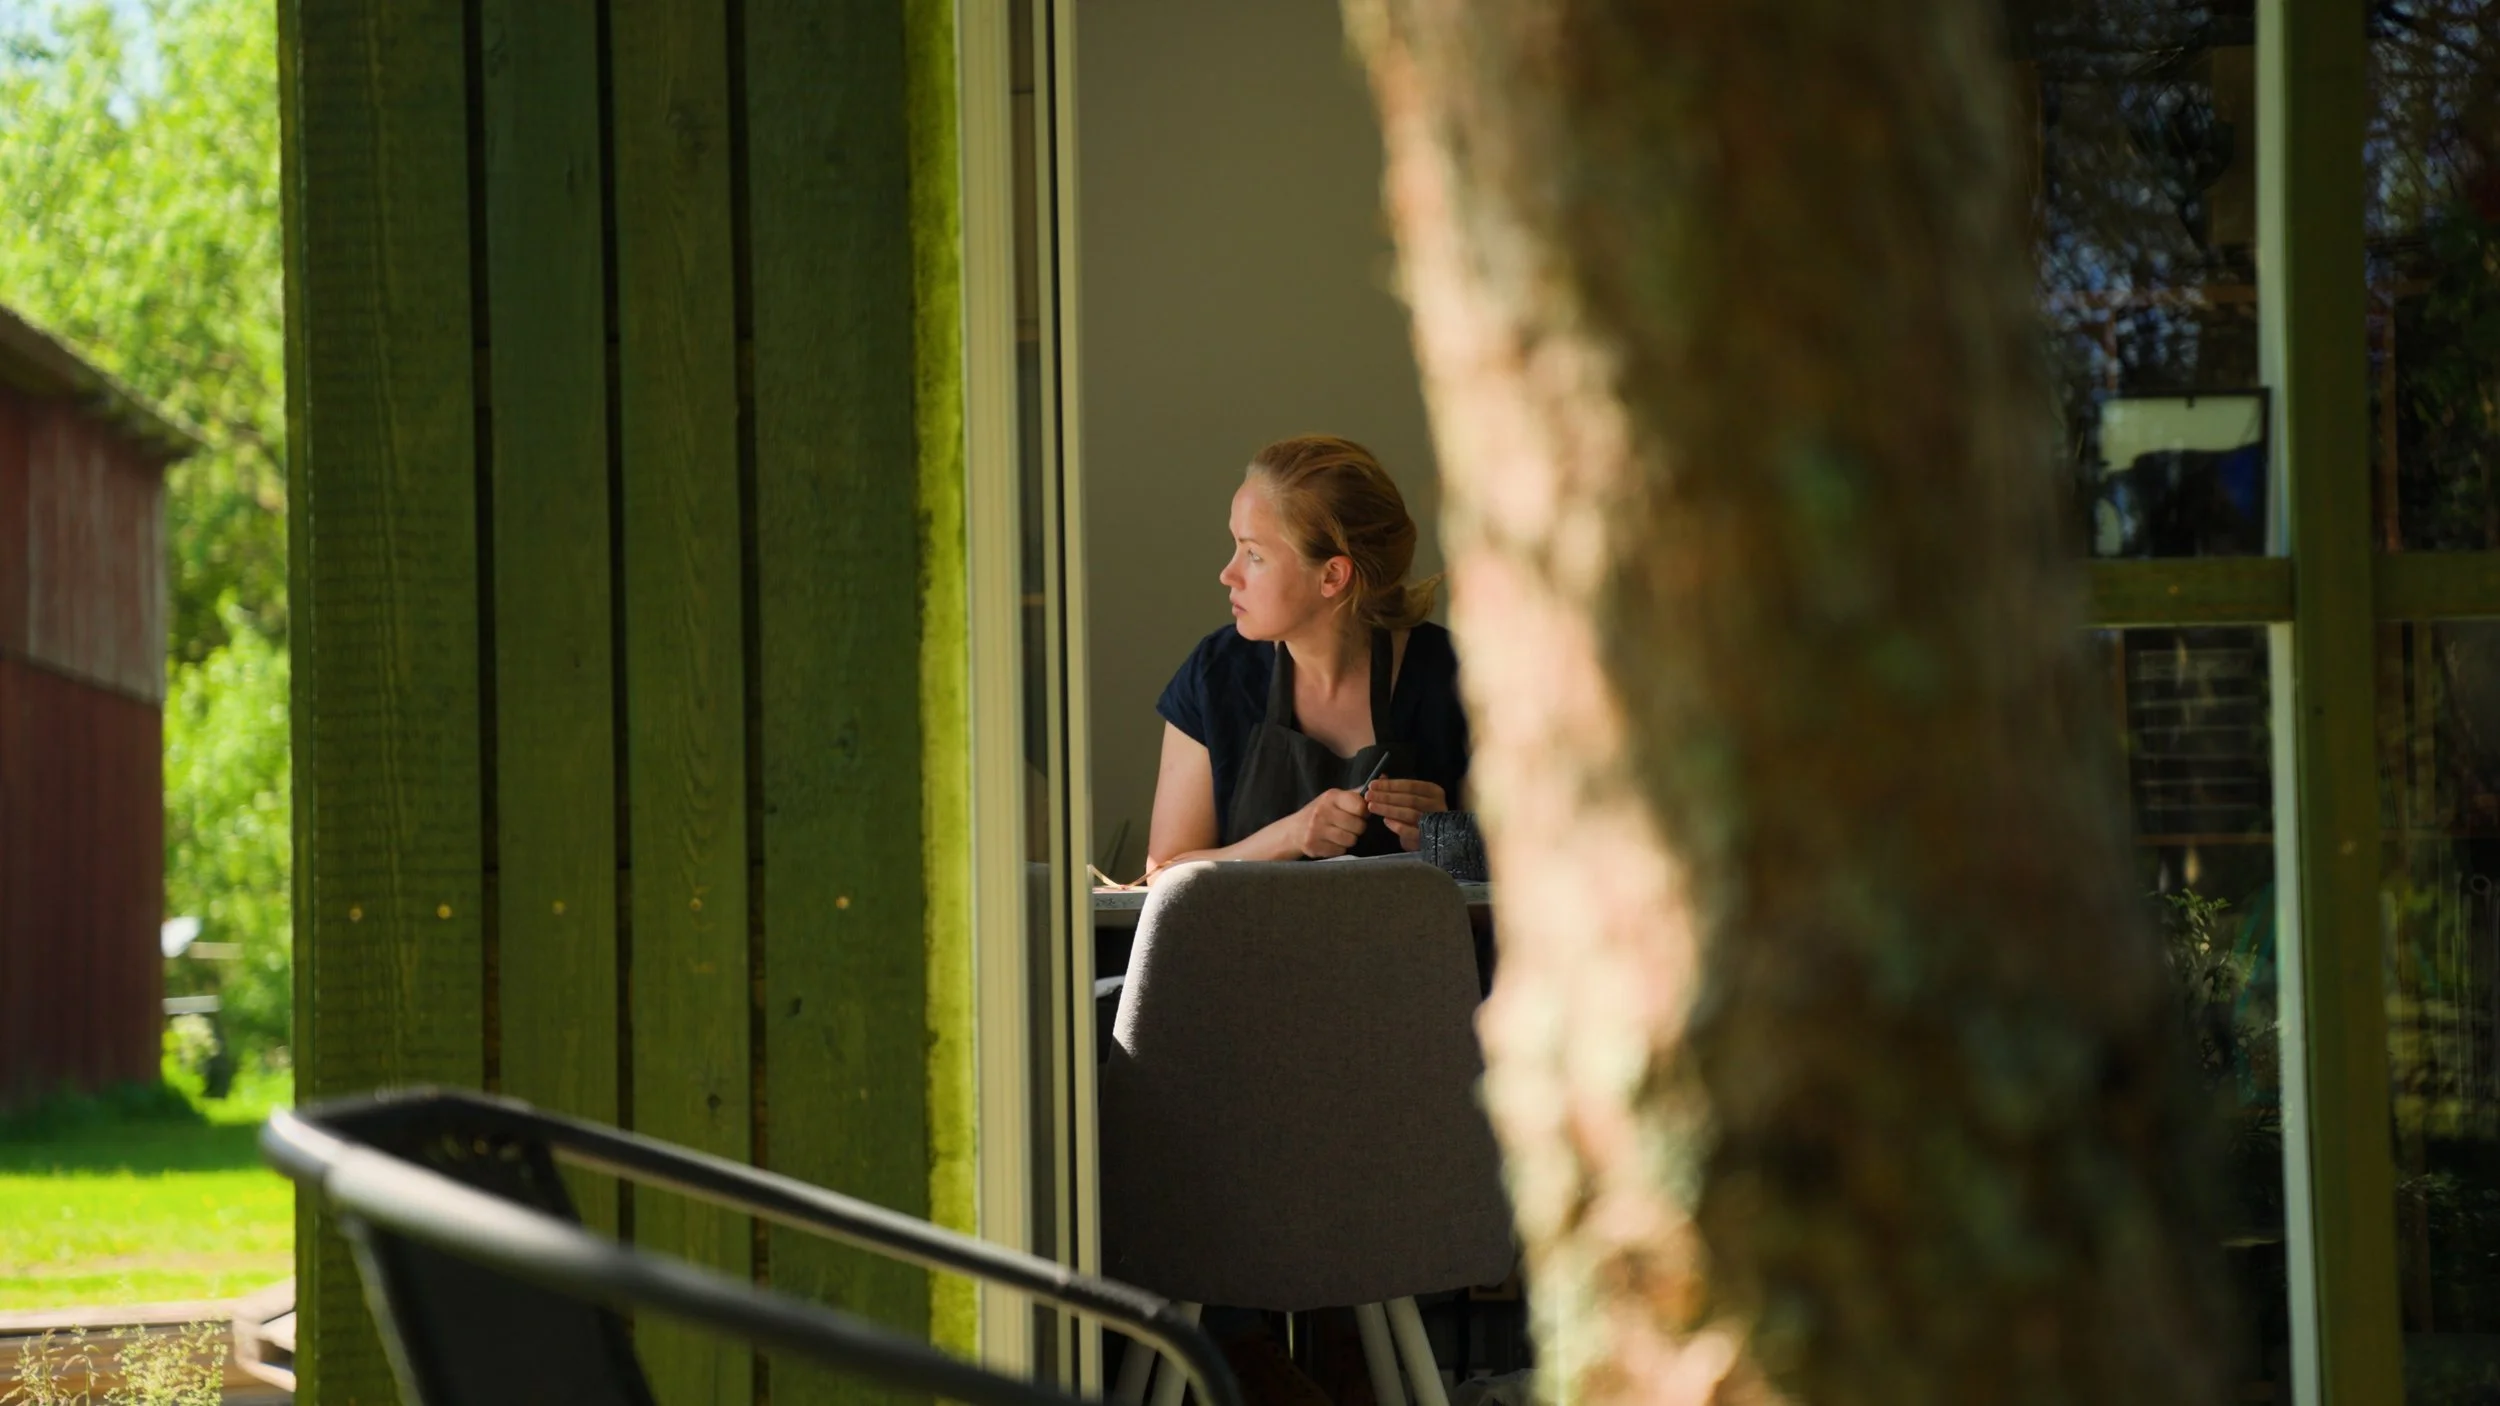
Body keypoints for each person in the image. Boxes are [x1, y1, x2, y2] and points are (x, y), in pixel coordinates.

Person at [1145, 434, 1469, 880]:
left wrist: (1448, 838)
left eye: (1254, 555)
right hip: (1240, 953)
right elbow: (1160, 878)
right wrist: (1289, 837)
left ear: (1333, 574)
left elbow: (1534, 886)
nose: (1228, 574)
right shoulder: (1214, 676)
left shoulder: (1456, 679)